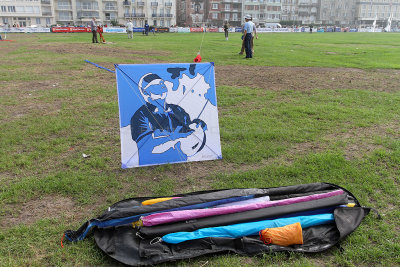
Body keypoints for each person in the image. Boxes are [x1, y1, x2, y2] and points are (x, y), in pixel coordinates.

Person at [129, 73, 207, 166]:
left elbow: (188, 129)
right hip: (153, 165)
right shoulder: (140, 115)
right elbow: (145, 146)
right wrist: (175, 136)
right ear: (145, 92)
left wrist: (197, 124)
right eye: (156, 85)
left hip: (180, 162)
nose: (162, 86)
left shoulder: (177, 109)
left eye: (162, 83)